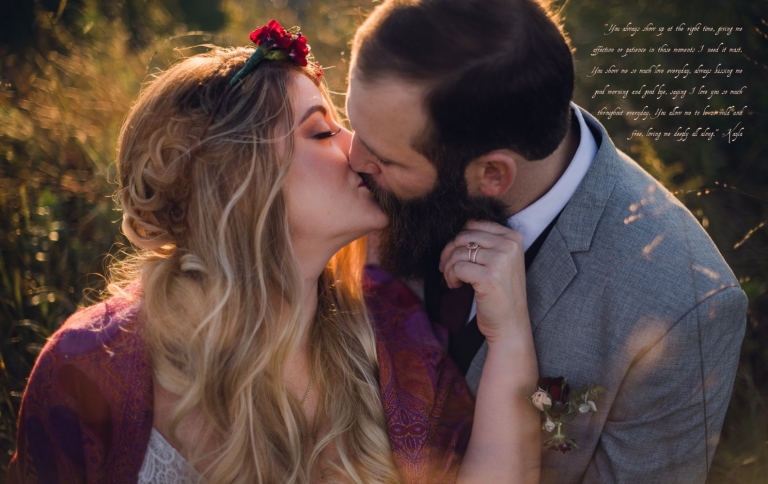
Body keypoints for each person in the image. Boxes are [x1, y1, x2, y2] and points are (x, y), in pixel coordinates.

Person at [8, 21, 541, 483]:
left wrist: (511, 337)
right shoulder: (89, 367)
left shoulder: (393, 332)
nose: (355, 148)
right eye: (321, 131)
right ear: (240, 176)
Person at [346, 0, 748, 482]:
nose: (352, 158)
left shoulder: (682, 305)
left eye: (385, 160)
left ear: (493, 174)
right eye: (353, 125)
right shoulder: (382, 156)